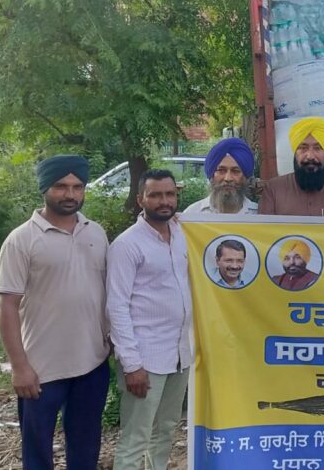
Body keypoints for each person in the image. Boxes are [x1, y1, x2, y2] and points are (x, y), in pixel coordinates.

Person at [0, 155, 110, 470]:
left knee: (86, 447)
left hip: (92, 363)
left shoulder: (96, 233)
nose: (70, 194)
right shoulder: (21, 240)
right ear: (44, 188)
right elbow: (7, 305)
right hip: (41, 368)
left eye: (77, 186)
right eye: (61, 186)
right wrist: (20, 367)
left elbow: (105, 292)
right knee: (37, 452)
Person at [107, 170, 192, 470]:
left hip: (180, 355)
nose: (164, 201)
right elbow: (116, 306)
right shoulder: (127, 245)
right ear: (140, 199)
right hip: (145, 359)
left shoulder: (183, 234)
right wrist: (132, 365)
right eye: (155, 195)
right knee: (136, 437)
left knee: (165, 430)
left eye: (170, 194)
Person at [259, 117, 324, 217]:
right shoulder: (273, 190)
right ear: (295, 153)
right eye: (303, 148)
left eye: (318, 148)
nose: (310, 156)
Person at [184, 138, 258, 214]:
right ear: (212, 175)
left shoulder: (258, 214)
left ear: (245, 177)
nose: (228, 178)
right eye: (221, 170)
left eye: (235, 171)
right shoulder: (192, 213)